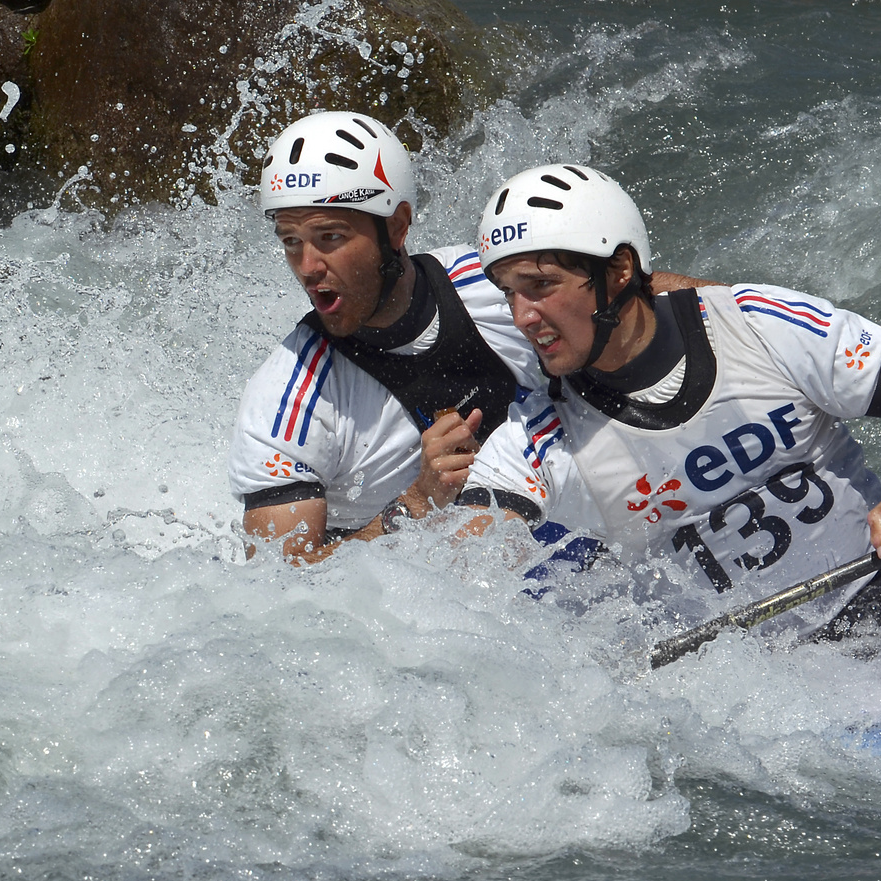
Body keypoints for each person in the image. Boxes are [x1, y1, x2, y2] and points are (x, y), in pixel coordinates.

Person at [445, 163, 881, 637]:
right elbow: (456, 585)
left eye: (540, 286)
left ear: (617, 271)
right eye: (509, 293)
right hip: (773, 697)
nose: (522, 317)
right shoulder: (534, 442)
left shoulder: (755, 322)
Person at [227, 113, 711, 562]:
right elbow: (281, 586)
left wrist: (754, 317)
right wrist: (416, 503)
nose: (308, 267)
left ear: (396, 227)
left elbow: (631, 293)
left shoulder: (490, 283)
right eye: (291, 241)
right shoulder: (287, 401)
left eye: (329, 237)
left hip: (563, 530)